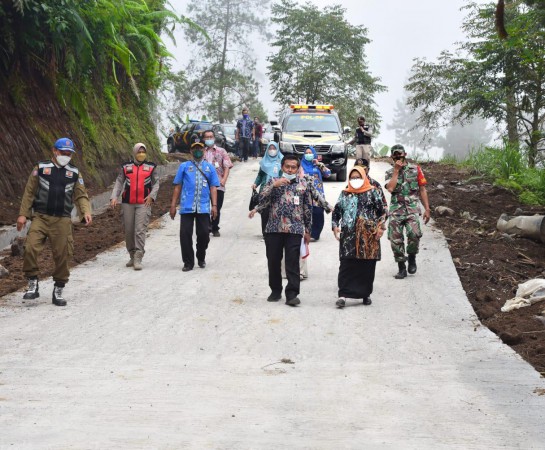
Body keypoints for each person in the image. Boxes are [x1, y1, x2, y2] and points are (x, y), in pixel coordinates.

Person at [16, 137, 92, 306]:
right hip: (41, 217)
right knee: (30, 247)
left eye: (69, 153)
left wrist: (85, 212)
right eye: (63, 152)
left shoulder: (74, 173)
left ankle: (58, 287)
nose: (66, 155)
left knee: (64, 254)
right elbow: (29, 192)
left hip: (62, 220)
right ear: (54, 151)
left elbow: (81, 195)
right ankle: (32, 283)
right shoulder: (41, 168)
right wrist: (23, 215)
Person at [248, 154, 312, 307]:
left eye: (293, 167)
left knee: (292, 262)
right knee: (273, 261)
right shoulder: (272, 181)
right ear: (282, 167)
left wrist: (308, 230)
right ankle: (275, 290)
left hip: (294, 229)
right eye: (287, 166)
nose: (290, 169)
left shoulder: (303, 184)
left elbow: (307, 207)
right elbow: (262, 199)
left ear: (297, 169)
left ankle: (292, 294)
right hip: (273, 228)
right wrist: (273, 186)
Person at [332, 166, 387, 308]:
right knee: (346, 265)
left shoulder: (373, 192)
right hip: (348, 236)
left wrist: (380, 227)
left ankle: (365, 294)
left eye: (358, 177)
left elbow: (383, 212)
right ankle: (343, 295)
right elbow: (336, 212)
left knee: (366, 266)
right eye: (353, 178)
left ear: (364, 177)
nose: (355, 180)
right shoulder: (344, 193)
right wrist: (335, 226)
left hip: (368, 236)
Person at [170, 142, 220, 271]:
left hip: (203, 207)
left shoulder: (210, 168)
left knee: (204, 234)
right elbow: (178, 186)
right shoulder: (184, 166)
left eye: (200, 148)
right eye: (195, 148)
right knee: (185, 234)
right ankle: (188, 262)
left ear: (204, 150)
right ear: (191, 151)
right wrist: (173, 205)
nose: (197, 150)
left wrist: (214, 206)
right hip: (187, 206)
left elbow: (213, 187)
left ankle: (201, 256)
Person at [109, 143, 159, 270]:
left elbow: (156, 183)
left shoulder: (151, 167)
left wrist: (152, 196)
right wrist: (114, 196)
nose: (141, 154)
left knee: (139, 230)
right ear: (134, 152)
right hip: (127, 203)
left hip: (144, 203)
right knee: (129, 230)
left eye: (143, 151)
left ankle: (138, 257)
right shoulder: (126, 167)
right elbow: (119, 182)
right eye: (139, 151)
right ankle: (132, 255)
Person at [384, 144, 431, 279]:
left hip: (412, 209)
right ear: (392, 157)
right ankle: (401, 267)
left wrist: (427, 209)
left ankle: (411, 257)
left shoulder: (416, 170)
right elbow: (391, 188)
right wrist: (396, 172)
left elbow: (422, 189)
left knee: (414, 234)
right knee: (395, 239)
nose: (398, 156)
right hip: (396, 210)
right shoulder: (389, 172)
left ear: (405, 154)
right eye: (395, 155)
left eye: (400, 154)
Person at [203, 129, 233, 237]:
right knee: (205, 207)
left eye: (211, 137)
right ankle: (206, 226)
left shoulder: (221, 151)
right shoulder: (202, 152)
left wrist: (224, 180)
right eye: (207, 137)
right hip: (204, 184)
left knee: (217, 207)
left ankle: (215, 227)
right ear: (204, 139)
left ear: (214, 138)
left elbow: (227, 166)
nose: (209, 139)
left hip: (218, 184)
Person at [252, 142, 283, 235]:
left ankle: (275, 231)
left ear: (277, 149)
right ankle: (265, 232)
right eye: (270, 148)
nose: (272, 150)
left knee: (276, 211)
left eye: (274, 148)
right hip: (264, 190)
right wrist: (255, 184)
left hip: (278, 190)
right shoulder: (264, 162)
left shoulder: (282, 161)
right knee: (264, 211)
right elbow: (260, 176)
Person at [301, 146, 331, 241]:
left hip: (318, 195)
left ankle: (315, 234)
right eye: (307, 153)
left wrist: (319, 164)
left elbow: (328, 174)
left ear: (314, 154)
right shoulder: (300, 165)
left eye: (310, 153)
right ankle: (304, 233)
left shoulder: (318, 165)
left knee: (318, 213)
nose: (308, 155)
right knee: (305, 214)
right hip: (304, 194)